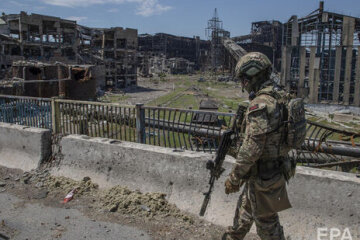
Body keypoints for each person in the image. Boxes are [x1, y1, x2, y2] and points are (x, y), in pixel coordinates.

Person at [223, 52, 293, 240]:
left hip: (263, 176)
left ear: (252, 76)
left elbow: (252, 147)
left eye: (244, 80)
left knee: (268, 227)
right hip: (273, 170)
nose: (243, 85)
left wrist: (234, 177)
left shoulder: (260, 104)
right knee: (245, 210)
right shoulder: (280, 95)